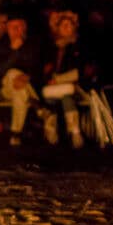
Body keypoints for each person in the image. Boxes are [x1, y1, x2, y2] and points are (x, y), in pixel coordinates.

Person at [0, 13, 43, 146]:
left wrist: (27, 77)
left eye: (19, 27)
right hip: (3, 90)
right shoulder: (0, 45)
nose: (16, 31)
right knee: (12, 73)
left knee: (19, 91)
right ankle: (36, 104)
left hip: (20, 88)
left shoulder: (32, 45)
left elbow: (38, 68)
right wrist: (14, 52)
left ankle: (16, 134)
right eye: (12, 27)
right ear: (7, 29)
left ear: (24, 28)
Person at [41, 12, 85, 148]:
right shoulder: (52, 48)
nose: (66, 28)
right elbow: (45, 69)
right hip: (54, 88)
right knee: (51, 97)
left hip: (75, 87)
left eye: (69, 25)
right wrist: (49, 77)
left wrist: (58, 79)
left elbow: (80, 71)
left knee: (66, 96)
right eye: (63, 25)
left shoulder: (78, 46)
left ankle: (73, 132)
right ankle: (67, 131)